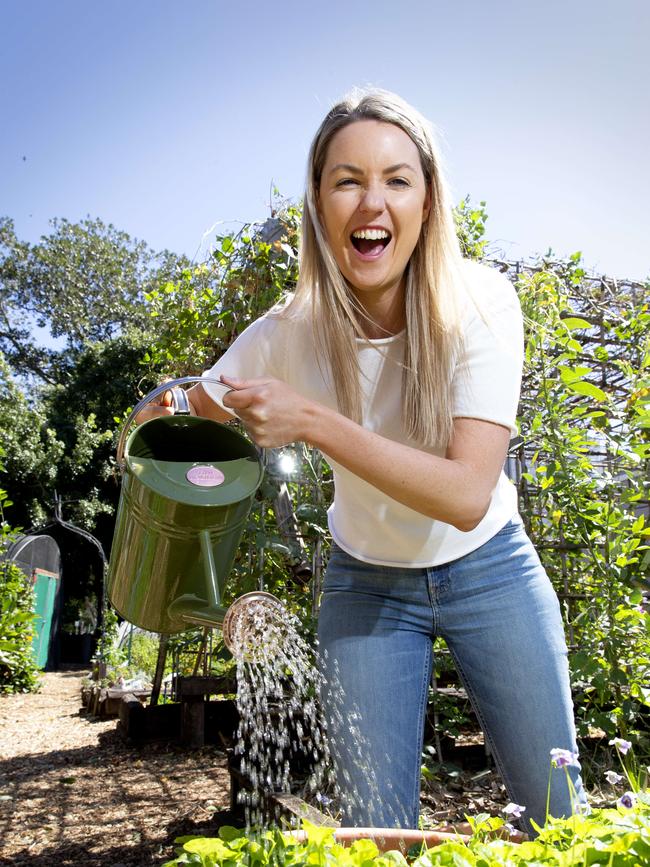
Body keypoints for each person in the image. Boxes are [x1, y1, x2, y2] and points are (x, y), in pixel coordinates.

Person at [139, 88, 587, 833]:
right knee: (375, 833)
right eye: (346, 179)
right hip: (367, 583)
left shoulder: (482, 304)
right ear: (318, 201)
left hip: (491, 567)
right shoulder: (289, 331)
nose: (370, 201)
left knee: (557, 814)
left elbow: (468, 493)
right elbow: (198, 403)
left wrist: (311, 419)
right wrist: (167, 408)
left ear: (427, 198)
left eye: (396, 179)